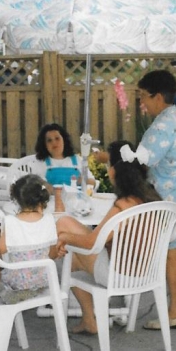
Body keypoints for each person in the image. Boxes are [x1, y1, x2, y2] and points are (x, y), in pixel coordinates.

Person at [56, 140, 162, 335]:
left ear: (113, 171)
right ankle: (89, 320)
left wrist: (64, 237)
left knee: (64, 230)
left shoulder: (123, 204)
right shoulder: (152, 196)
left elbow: (92, 242)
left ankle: (88, 318)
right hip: (148, 272)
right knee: (70, 250)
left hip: (120, 275)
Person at [135, 69, 176, 329]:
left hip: (167, 199)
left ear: (158, 96)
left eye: (144, 96)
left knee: (170, 254)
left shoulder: (162, 126)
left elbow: (144, 159)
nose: (142, 102)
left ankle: (173, 313)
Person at [0, 174, 66, 304]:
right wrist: (58, 252)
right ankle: (28, 292)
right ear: (43, 200)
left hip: (16, 281)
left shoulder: (10, 221)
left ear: (16, 200)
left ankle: (1, 287)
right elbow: (52, 254)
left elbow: (1, 249)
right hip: (43, 280)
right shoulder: (49, 220)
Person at [31, 123, 95, 190]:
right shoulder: (40, 163)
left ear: (64, 140)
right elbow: (35, 186)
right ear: (44, 144)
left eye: (57, 138)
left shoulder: (78, 160)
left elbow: (93, 183)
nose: (54, 143)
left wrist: (83, 181)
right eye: (49, 140)